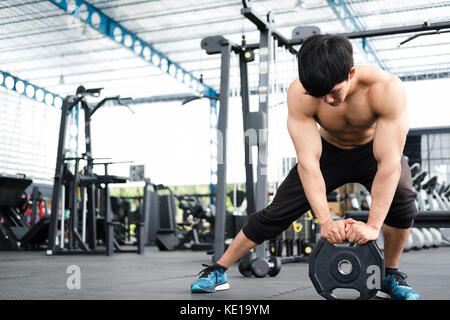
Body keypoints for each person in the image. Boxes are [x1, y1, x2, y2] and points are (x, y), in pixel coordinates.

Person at [190, 34, 420, 300]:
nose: (328, 101)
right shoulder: (300, 94)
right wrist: (324, 221)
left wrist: (372, 226)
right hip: (328, 153)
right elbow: (308, 162)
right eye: (319, 95)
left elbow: (389, 163)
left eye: (334, 92)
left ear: (351, 73)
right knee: (276, 213)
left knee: (403, 204)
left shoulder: (386, 89)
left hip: (374, 149)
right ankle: (218, 270)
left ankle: (390, 274)